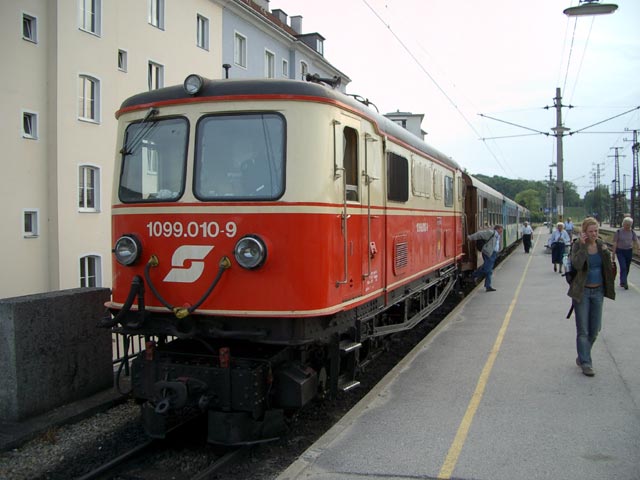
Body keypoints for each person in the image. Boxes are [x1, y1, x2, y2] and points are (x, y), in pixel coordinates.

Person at [568, 217, 615, 377]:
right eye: (591, 231)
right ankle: (586, 363)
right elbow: (577, 265)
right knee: (583, 330)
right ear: (584, 232)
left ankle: (582, 355)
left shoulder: (602, 246)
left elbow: (608, 268)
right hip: (582, 292)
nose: (594, 234)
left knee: (595, 330)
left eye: (596, 231)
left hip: (598, 292)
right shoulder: (577, 245)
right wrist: (581, 246)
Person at [468, 225, 503, 292]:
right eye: (501, 230)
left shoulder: (497, 235)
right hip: (488, 253)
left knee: (489, 271)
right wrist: (470, 237)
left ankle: (488, 286)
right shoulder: (490, 232)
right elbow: (479, 234)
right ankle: (473, 276)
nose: (501, 231)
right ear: (497, 229)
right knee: (487, 269)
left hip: (493, 253)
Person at [611, 217, 640, 290]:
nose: (628, 226)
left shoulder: (632, 232)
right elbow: (615, 243)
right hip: (620, 251)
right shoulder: (618, 232)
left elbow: (636, 241)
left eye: (629, 225)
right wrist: (613, 254)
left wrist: (639, 248)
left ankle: (622, 281)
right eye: (626, 224)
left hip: (629, 251)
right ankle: (625, 282)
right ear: (623, 224)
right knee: (623, 266)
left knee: (627, 267)